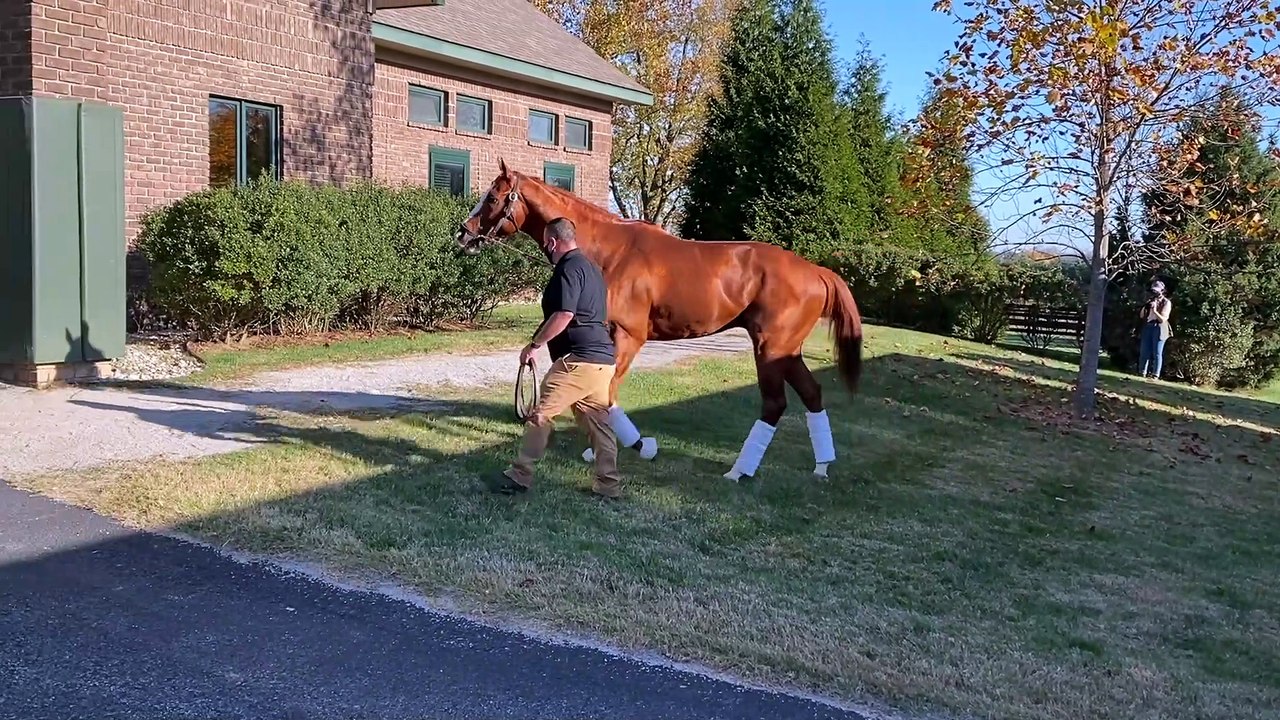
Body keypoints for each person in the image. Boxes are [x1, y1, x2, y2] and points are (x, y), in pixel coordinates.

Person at [491, 216, 622, 500]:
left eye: (544, 244)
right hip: (602, 361)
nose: (544, 250)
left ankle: (520, 475)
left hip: (579, 361)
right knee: (599, 426)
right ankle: (608, 486)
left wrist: (534, 345)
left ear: (552, 242)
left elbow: (564, 314)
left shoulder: (568, 269)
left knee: (540, 415)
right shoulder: (591, 269)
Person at [1138, 280, 1173, 379]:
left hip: (1159, 327)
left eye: (1157, 291)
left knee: (1157, 352)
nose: (1155, 293)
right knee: (1144, 351)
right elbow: (1141, 316)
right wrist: (1146, 306)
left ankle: (1155, 374)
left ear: (1162, 290)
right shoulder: (1150, 301)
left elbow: (1163, 319)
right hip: (1148, 326)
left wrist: (1155, 310)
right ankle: (1142, 372)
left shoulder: (1166, 302)